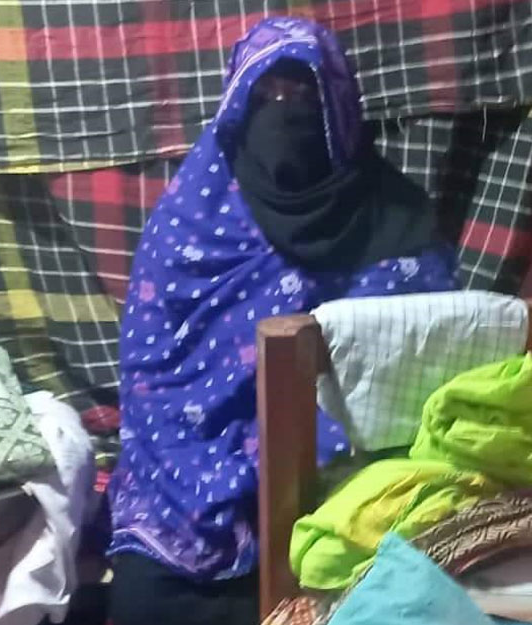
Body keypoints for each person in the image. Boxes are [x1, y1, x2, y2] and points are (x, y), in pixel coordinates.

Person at [106, 17, 459, 625]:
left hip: (343, 476)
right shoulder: (191, 222)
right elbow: (153, 380)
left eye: (302, 94)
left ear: (339, 110)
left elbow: (428, 370)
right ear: (237, 109)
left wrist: (306, 464)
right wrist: (225, 479)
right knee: (147, 601)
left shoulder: (397, 222)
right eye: (266, 96)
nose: (284, 113)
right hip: (191, 482)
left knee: (370, 583)